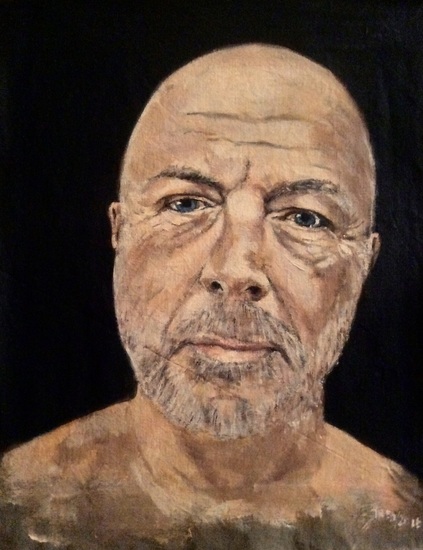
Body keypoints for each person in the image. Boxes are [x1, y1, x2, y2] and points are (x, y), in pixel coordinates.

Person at [1, 44, 422, 549]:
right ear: (120, 232)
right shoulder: (14, 506)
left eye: (305, 217)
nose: (235, 269)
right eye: (185, 204)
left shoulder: (404, 527)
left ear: (362, 265)